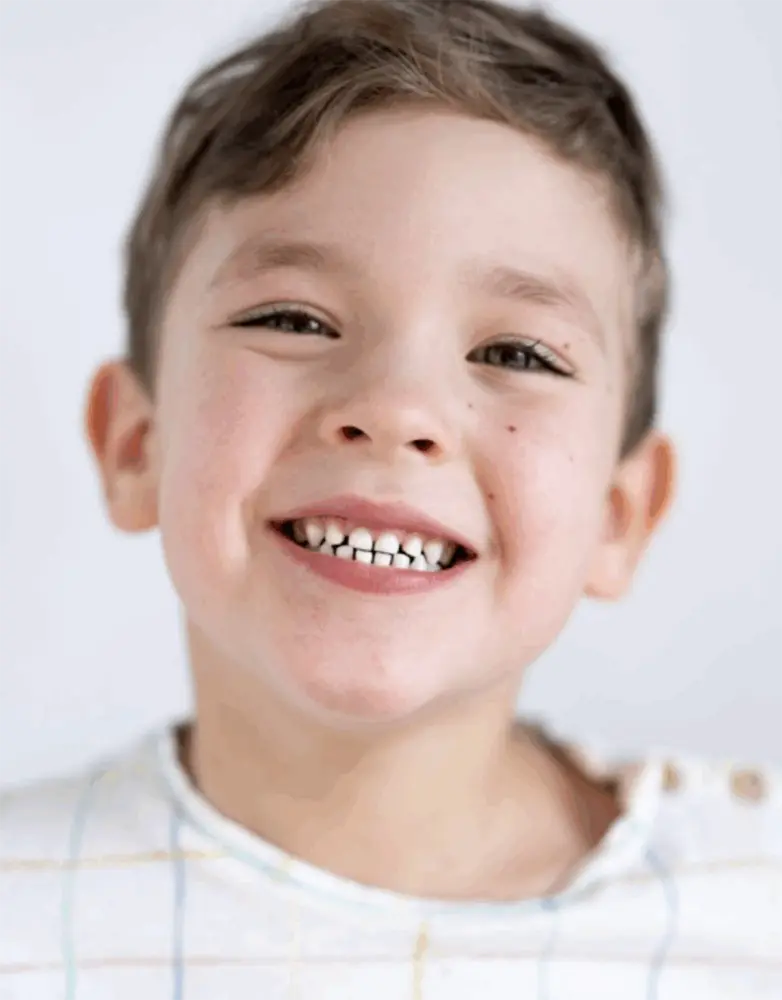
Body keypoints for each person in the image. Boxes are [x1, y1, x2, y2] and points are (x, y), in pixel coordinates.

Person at [1, 0, 779, 996]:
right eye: (292, 318)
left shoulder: (755, 907)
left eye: (513, 352)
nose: (395, 410)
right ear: (135, 443)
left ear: (617, 517)